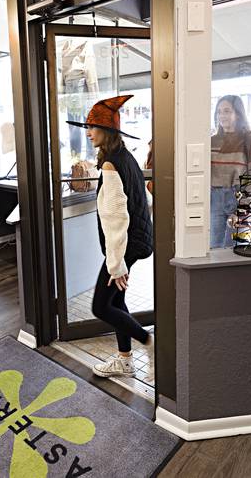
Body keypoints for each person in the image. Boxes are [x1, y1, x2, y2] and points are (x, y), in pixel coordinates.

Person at [66, 95, 153, 378]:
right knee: (116, 302)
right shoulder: (126, 157)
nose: (88, 132)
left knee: (100, 306)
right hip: (136, 240)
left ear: (107, 131)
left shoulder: (110, 165)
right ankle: (125, 360)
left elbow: (116, 219)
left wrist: (116, 264)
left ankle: (150, 342)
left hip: (125, 244)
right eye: (87, 127)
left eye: (92, 127)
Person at [210, 95, 251, 248]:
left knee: (236, 250)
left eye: (227, 111)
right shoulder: (212, 141)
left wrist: (243, 208)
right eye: (219, 112)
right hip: (215, 198)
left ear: (238, 114)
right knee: (214, 249)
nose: (222, 115)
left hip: (238, 197)